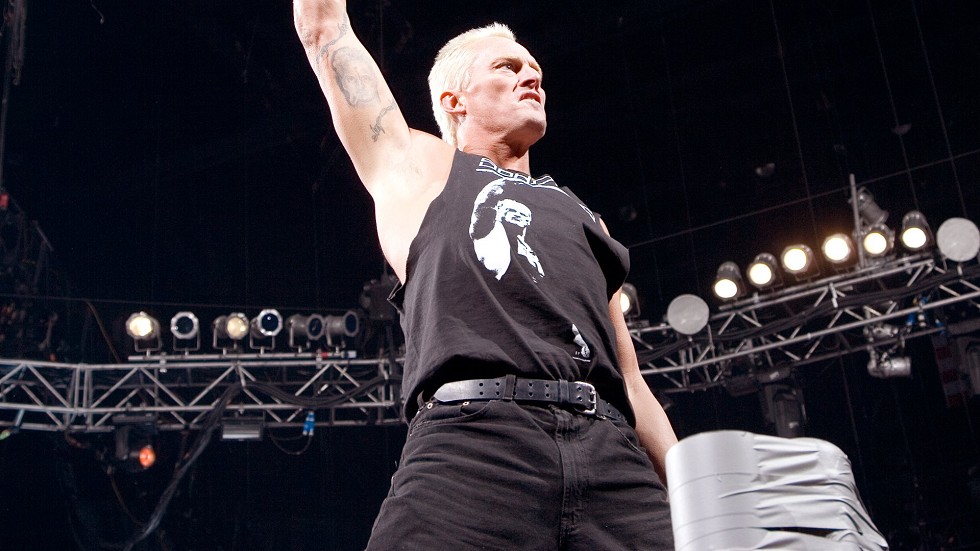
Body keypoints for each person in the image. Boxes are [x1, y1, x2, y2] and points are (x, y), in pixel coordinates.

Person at [293, 2, 677, 549]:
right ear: (455, 100)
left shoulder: (587, 218)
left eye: (534, 70)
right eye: (507, 67)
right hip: (473, 441)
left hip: (611, 454)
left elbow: (631, 381)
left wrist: (691, 491)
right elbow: (324, 29)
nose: (532, 77)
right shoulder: (418, 167)